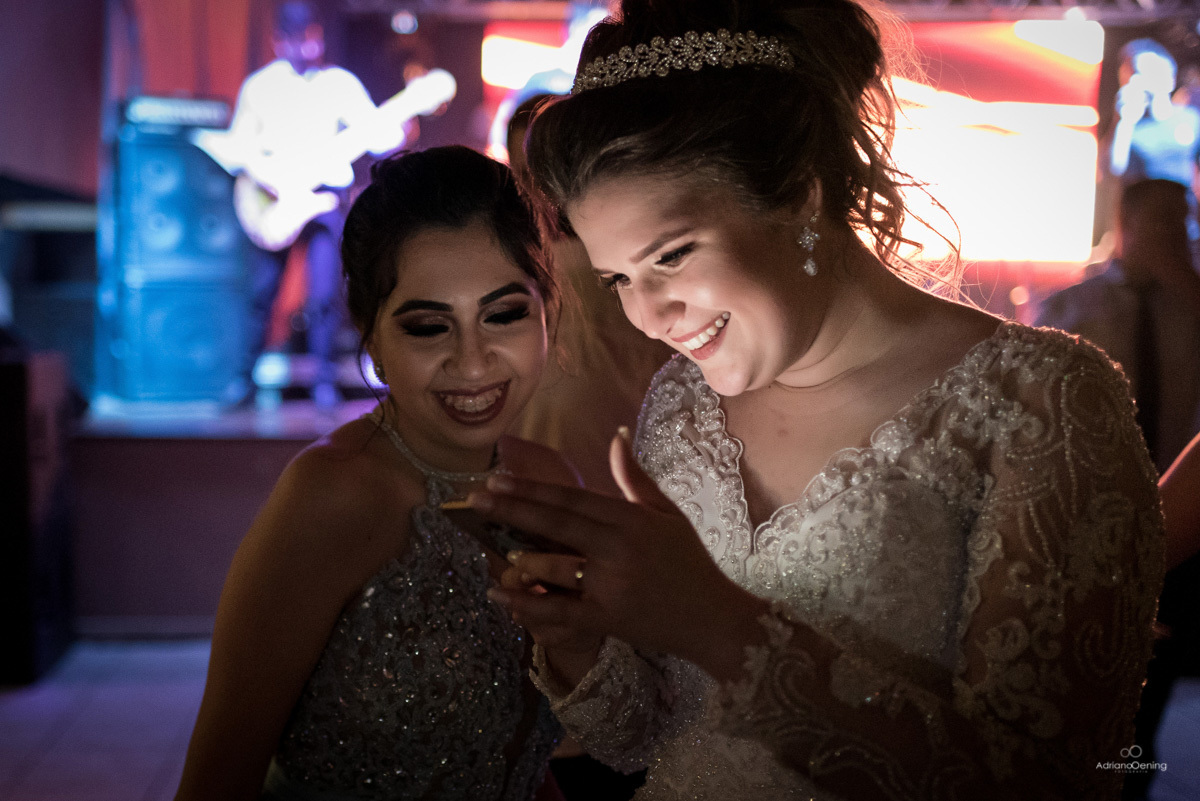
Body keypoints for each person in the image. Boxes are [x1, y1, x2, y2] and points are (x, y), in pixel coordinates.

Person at [467, 0, 1166, 798]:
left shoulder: (1042, 405)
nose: (647, 315)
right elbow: (651, 735)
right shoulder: (681, 409)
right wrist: (577, 639)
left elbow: (1051, 782)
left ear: (799, 192)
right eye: (618, 278)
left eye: (671, 254)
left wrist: (719, 623)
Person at [174, 147, 565, 800]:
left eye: (503, 314)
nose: (473, 362)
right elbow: (216, 780)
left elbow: (520, 754)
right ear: (371, 333)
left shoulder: (551, 481)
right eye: (427, 326)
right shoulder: (331, 495)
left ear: (545, 308)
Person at [222, 0, 405, 411]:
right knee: (260, 291)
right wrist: (271, 174)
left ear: (318, 37)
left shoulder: (339, 84)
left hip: (324, 198)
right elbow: (237, 147)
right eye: (292, 39)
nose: (302, 48)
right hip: (274, 199)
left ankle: (325, 381)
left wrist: (395, 126)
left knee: (325, 295)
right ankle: (242, 379)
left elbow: (376, 136)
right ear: (277, 41)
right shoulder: (260, 87)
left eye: (309, 38)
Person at [508, 93, 673, 498]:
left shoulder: (627, 269)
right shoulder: (516, 274)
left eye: (545, 175)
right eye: (526, 176)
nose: (538, 191)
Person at [1037, 178, 1200, 474]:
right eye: (1164, 219)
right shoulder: (1070, 307)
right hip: (1093, 477)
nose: (1178, 233)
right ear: (1126, 221)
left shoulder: (1190, 307)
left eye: (1184, 220)